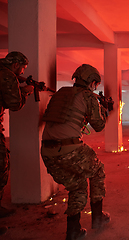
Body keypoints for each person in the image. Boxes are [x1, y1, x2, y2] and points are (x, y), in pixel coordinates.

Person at [41, 64, 110, 240]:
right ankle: (98, 218)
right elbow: (99, 126)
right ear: (92, 82)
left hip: (48, 152)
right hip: (69, 149)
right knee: (98, 170)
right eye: (95, 84)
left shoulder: (60, 93)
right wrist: (105, 110)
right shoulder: (88, 97)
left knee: (77, 185)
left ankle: (73, 231)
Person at [0, 52, 34, 220]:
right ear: (15, 65)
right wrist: (25, 92)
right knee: (2, 165)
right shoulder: (7, 76)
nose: (22, 72)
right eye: (22, 68)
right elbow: (14, 105)